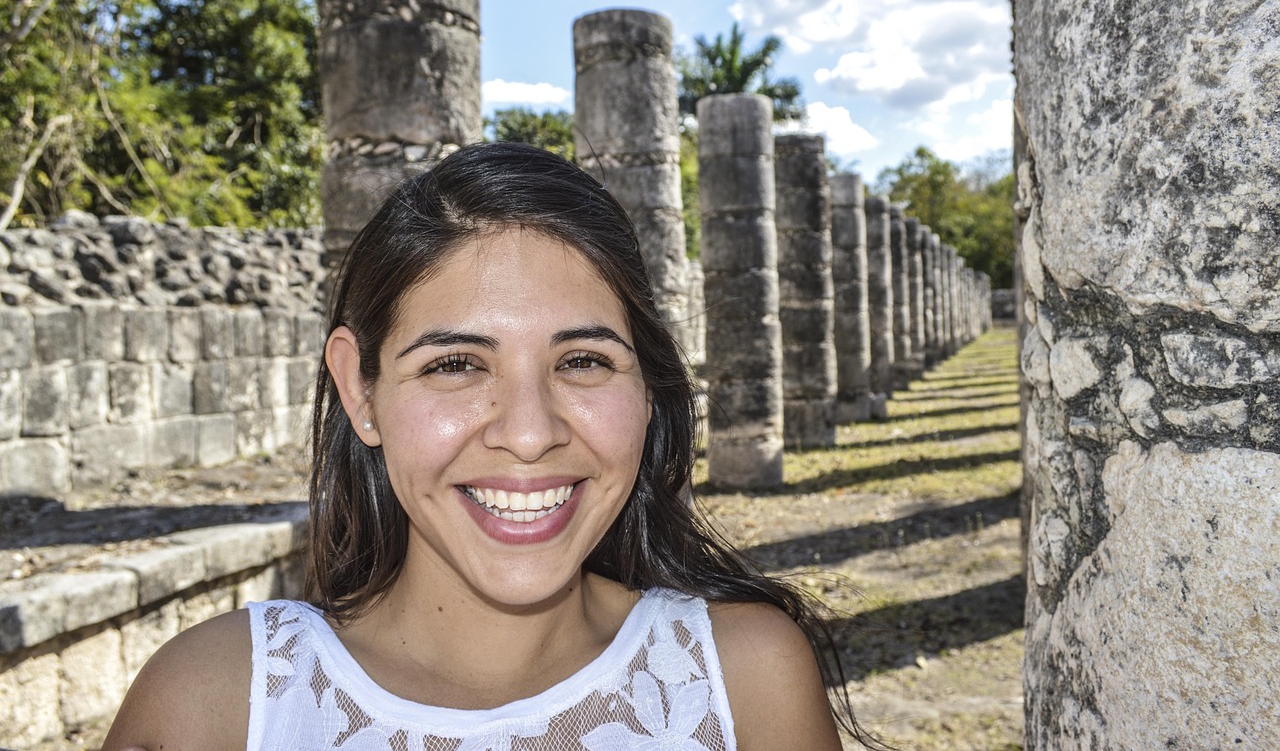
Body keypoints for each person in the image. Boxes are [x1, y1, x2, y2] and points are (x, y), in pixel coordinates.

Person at [104, 142, 882, 750]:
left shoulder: (745, 682)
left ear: (647, 389)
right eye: (454, 364)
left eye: (582, 360)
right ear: (360, 389)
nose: (528, 430)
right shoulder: (215, 704)